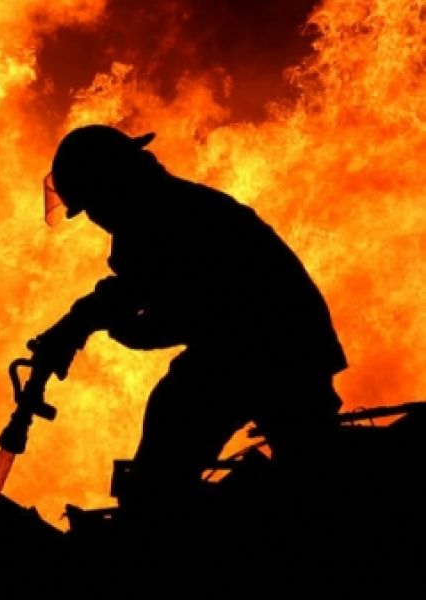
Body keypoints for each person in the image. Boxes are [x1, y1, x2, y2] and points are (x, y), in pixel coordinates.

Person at [29, 124, 346, 512]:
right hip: (272, 347)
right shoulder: (163, 209)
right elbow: (128, 292)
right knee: (306, 469)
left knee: (163, 474)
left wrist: (121, 331)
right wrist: (72, 329)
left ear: (112, 183)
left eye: (92, 205)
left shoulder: (165, 218)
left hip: (265, 351)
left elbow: (184, 313)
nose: (94, 218)